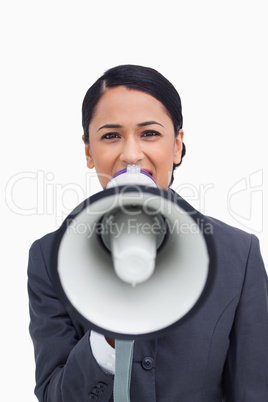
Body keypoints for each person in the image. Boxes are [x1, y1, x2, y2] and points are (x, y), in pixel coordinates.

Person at [28, 64, 268, 401]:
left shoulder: (238, 255)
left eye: (150, 134)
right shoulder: (50, 257)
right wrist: (108, 335)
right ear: (88, 150)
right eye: (111, 135)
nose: (131, 155)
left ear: (177, 146)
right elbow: (54, 395)